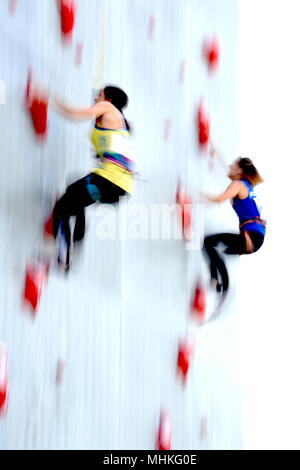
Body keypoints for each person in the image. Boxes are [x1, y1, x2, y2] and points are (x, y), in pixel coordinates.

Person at [50, 85, 134, 270]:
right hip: (118, 190)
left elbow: (76, 114)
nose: (96, 97)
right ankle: (77, 238)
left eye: (100, 94)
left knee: (62, 207)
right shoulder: (120, 122)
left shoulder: (108, 108)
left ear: (109, 99)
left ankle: (64, 253)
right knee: (74, 191)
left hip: (108, 182)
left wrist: (51, 100)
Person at [200, 157, 266, 293]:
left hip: (251, 237)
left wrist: (196, 194)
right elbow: (225, 165)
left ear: (239, 171)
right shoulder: (246, 185)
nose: (229, 166)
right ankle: (218, 284)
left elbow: (219, 199)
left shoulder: (239, 185)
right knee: (215, 249)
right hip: (255, 238)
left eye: (233, 165)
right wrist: (212, 148)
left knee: (209, 243)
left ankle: (222, 286)